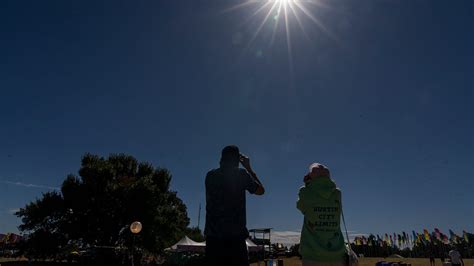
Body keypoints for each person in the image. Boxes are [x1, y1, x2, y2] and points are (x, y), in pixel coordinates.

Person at [204, 145, 265, 266]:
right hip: (235, 238)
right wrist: (248, 167)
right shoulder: (241, 174)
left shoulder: (210, 176)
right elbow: (261, 191)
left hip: (213, 239)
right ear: (237, 160)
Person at [297, 163, 347, 266]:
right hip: (337, 254)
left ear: (310, 177)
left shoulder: (305, 192)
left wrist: (307, 184)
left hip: (312, 254)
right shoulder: (337, 193)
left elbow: (301, 207)